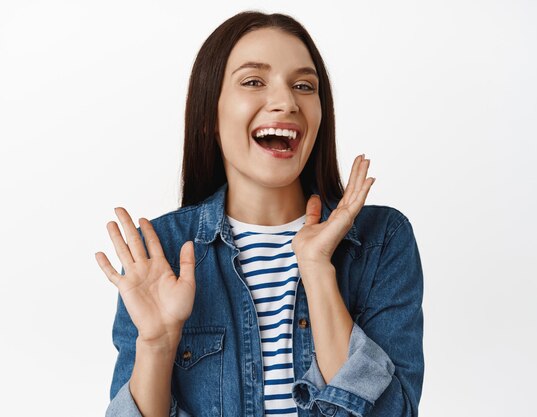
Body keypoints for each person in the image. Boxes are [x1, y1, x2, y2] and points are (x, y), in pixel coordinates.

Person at [95, 11, 424, 417]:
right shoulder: (159, 254)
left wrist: (317, 268)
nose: (287, 102)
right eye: (253, 81)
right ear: (209, 117)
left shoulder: (380, 241)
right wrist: (157, 345)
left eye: (304, 86)